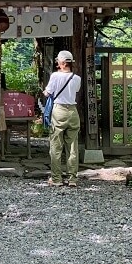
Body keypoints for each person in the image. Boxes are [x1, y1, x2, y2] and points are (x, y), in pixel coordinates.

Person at [43, 50, 82, 187]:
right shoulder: (77, 78)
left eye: (58, 61)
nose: (57, 63)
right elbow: (75, 92)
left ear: (63, 63)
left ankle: (57, 179)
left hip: (58, 110)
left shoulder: (55, 76)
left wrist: (45, 92)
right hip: (72, 111)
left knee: (56, 145)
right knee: (72, 147)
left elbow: (48, 93)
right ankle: (72, 179)